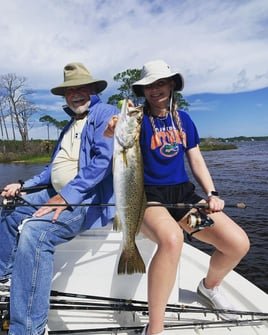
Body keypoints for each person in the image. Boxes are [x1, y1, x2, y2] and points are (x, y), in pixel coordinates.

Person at [104, 59, 250, 335]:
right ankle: (155, 328)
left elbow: (195, 158)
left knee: (237, 244)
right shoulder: (137, 119)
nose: (155, 89)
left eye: (161, 83)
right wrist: (113, 126)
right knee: (172, 240)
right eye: (149, 85)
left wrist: (212, 193)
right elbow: (115, 133)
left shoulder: (184, 120)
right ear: (143, 90)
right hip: (149, 199)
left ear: (172, 85)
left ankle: (209, 287)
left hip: (183, 198)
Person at [0, 62, 119, 335]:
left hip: (87, 198)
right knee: (10, 209)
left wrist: (66, 197)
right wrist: (22, 185)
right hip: (56, 192)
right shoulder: (69, 126)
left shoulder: (105, 114)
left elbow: (103, 162)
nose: (75, 94)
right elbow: (51, 170)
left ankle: (30, 328)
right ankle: (4, 278)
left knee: (35, 232)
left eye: (81, 88)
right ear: (64, 96)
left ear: (92, 89)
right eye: (69, 90)